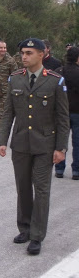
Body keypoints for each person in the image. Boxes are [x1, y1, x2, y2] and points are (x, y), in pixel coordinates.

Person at [0, 38, 69, 256]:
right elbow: (8, 112)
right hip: (20, 144)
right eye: (22, 53)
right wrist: (2, 140)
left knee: (42, 189)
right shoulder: (15, 79)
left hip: (45, 145)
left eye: (29, 53)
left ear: (41, 54)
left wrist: (61, 148)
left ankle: (37, 236)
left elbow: (62, 118)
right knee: (23, 188)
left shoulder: (55, 81)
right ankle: (25, 228)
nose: (24, 57)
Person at [54, 46, 79, 179]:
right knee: (77, 142)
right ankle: (76, 171)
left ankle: (59, 169)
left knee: (60, 141)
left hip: (60, 113)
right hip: (77, 112)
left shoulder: (58, 72)